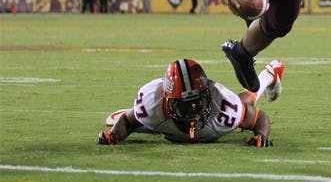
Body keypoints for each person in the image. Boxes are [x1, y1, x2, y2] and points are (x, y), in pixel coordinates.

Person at [97, 57, 285, 146]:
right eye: (185, 104)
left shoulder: (223, 105)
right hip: (166, 122)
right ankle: (269, 73)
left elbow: (260, 118)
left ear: (207, 93)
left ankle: (269, 74)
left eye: (198, 102)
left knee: (241, 104)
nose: (193, 110)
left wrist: (262, 136)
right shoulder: (151, 103)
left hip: (202, 121)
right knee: (146, 122)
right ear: (168, 100)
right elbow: (128, 121)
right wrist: (114, 136)